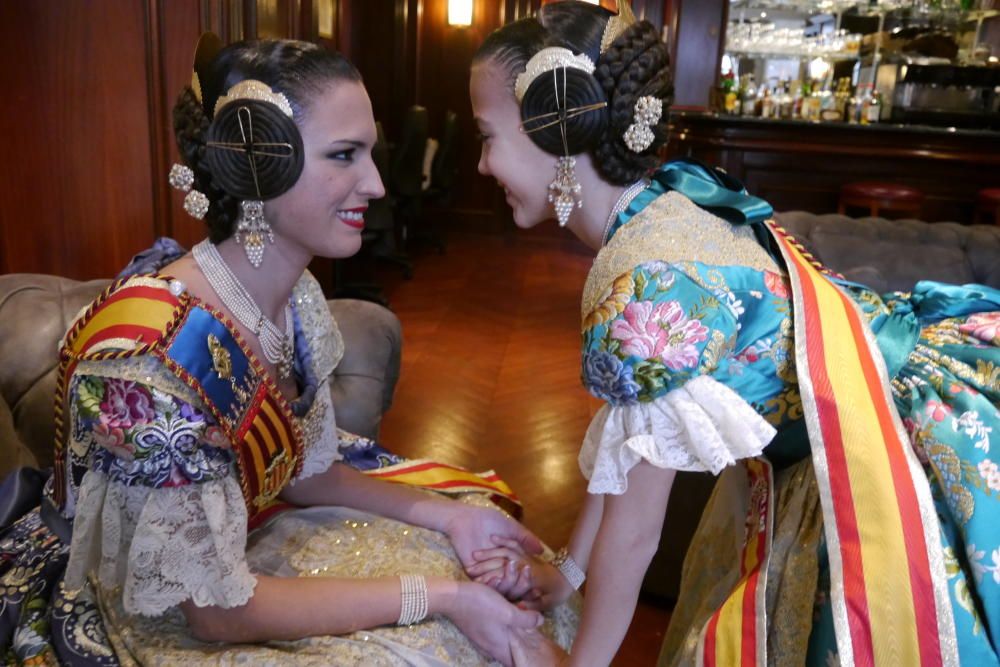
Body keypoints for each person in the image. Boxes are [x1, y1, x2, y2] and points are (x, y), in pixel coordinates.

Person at [0, 36, 579, 665]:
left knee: (502, 565)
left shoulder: (297, 299)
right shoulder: (148, 367)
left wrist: (449, 519)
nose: (378, 183)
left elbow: (306, 471)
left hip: (246, 547)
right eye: (344, 155)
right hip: (150, 606)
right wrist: (439, 599)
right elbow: (216, 613)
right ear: (256, 167)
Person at [464, 2, 1000, 665]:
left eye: (487, 136)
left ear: (559, 130)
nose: (483, 165)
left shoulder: (646, 271)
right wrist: (567, 575)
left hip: (887, 436)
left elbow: (635, 534)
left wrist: (580, 662)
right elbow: (625, 449)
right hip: (862, 415)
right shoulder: (659, 209)